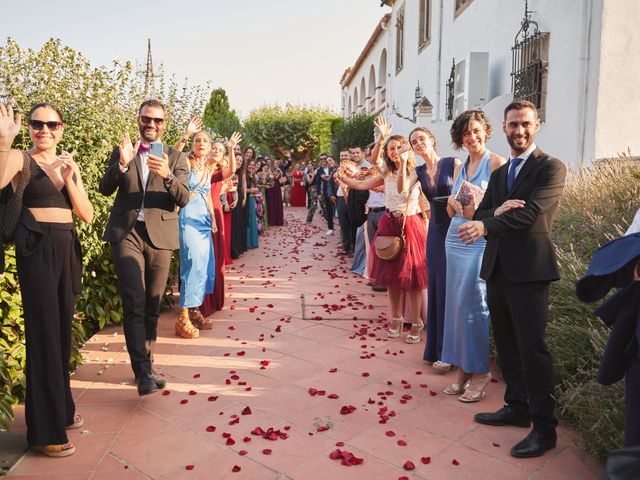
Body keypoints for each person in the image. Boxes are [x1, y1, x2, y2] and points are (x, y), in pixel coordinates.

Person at [458, 100, 567, 458]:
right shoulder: (503, 173)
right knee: (506, 346)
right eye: (513, 125)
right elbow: (485, 207)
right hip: (498, 269)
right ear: (503, 128)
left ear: (537, 126)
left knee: (533, 350)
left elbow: (534, 214)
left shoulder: (551, 167)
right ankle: (517, 407)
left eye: (525, 124)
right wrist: (496, 212)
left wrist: (488, 223)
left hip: (530, 272)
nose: (519, 131)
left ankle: (545, 429)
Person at [0, 103, 93, 457]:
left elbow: (86, 214)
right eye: (37, 124)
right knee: (43, 334)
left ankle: (62, 411)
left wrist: (71, 178)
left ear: (62, 128)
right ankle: (42, 432)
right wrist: (4, 141)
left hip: (67, 247)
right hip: (36, 248)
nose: (44, 130)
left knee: (61, 333)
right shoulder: (20, 159)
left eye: (51, 124)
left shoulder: (69, 163)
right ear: (30, 129)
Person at [100, 99, 189, 396]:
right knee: (134, 301)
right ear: (138, 120)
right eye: (146, 119)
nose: (151, 124)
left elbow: (184, 197)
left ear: (165, 123)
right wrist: (122, 163)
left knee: (152, 303)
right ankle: (142, 372)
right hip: (126, 233)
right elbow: (104, 188)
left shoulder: (176, 158)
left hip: (160, 236)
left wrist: (166, 174)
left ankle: (147, 367)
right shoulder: (124, 150)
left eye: (157, 120)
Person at [338, 115, 428, 343]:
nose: (393, 151)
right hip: (390, 224)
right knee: (391, 278)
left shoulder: (418, 173)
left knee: (414, 280)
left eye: (398, 147)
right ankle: (396, 319)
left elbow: (424, 203)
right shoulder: (386, 174)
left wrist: (428, 223)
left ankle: (416, 322)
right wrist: (343, 180)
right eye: (390, 148)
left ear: (406, 149)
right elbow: (362, 180)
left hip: (411, 225)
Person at [440, 110, 506, 401]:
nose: (472, 137)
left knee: (475, 306)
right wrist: (454, 203)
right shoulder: (460, 166)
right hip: (453, 240)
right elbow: (448, 211)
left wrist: (466, 208)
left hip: (478, 243)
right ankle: (463, 369)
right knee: (455, 306)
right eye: (466, 133)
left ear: (487, 132)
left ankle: (481, 371)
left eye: (476, 130)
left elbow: (497, 211)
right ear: (459, 138)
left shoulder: (496, 163)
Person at [405, 127, 459, 371]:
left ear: (432, 140)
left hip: (457, 227)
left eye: (421, 139)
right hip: (436, 231)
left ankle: (455, 350)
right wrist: (405, 159)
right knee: (437, 286)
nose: (418, 144)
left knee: (455, 289)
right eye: (414, 142)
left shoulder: (453, 162)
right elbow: (402, 188)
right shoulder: (417, 171)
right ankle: (438, 349)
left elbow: (467, 191)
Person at [174, 130, 218, 339]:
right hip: (188, 216)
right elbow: (172, 155)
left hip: (203, 219)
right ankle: (182, 317)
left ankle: (194, 310)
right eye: (197, 140)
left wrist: (213, 219)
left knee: (203, 265)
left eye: (205, 140)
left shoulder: (208, 167)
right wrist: (185, 134)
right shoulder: (185, 161)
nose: (201, 143)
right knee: (191, 263)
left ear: (210, 146)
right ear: (192, 144)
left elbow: (207, 194)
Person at [198, 135, 240, 317]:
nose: (216, 151)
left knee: (213, 256)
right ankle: (196, 301)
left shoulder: (218, 172)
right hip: (196, 212)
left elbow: (231, 170)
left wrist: (231, 149)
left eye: (220, 150)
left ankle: (212, 299)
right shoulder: (198, 167)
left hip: (214, 213)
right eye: (214, 148)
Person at [231, 152, 248, 258]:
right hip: (231, 198)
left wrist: (245, 195)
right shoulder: (229, 171)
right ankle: (233, 250)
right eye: (237, 159)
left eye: (241, 161)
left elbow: (244, 183)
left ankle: (238, 249)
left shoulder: (241, 172)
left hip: (240, 198)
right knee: (233, 224)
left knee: (238, 223)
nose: (239, 162)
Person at [245, 160, 261, 247]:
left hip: (251, 199)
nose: (251, 166)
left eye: (253, 165)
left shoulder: (252, 175)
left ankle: (252, 242)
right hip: (246, 199)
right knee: (248, 219)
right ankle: (247, 242)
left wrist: (255, 189)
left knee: (251, 219)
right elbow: (242, 189)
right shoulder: (244, 175)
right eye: (250, 164)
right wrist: (251, 190)